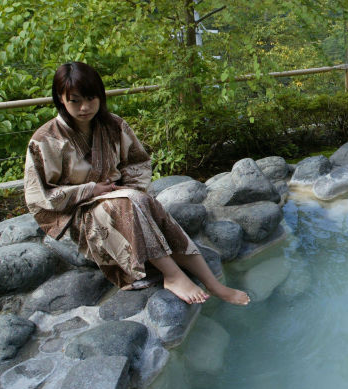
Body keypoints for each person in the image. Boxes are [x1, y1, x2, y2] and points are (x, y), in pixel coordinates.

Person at [24, 61, 249, 306]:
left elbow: (138, 163)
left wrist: (124, 189)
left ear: (100, 95)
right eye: (75, 100)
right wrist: (91, 190)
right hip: (82, 211)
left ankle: (215, 285)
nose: (84, 107)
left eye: (91, 98)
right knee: (126, 204)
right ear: (61, 99)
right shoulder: (45, 140)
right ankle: (173, 275)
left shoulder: (113, 125)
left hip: (124, 196)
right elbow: (39, 196)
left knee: (138, 200)